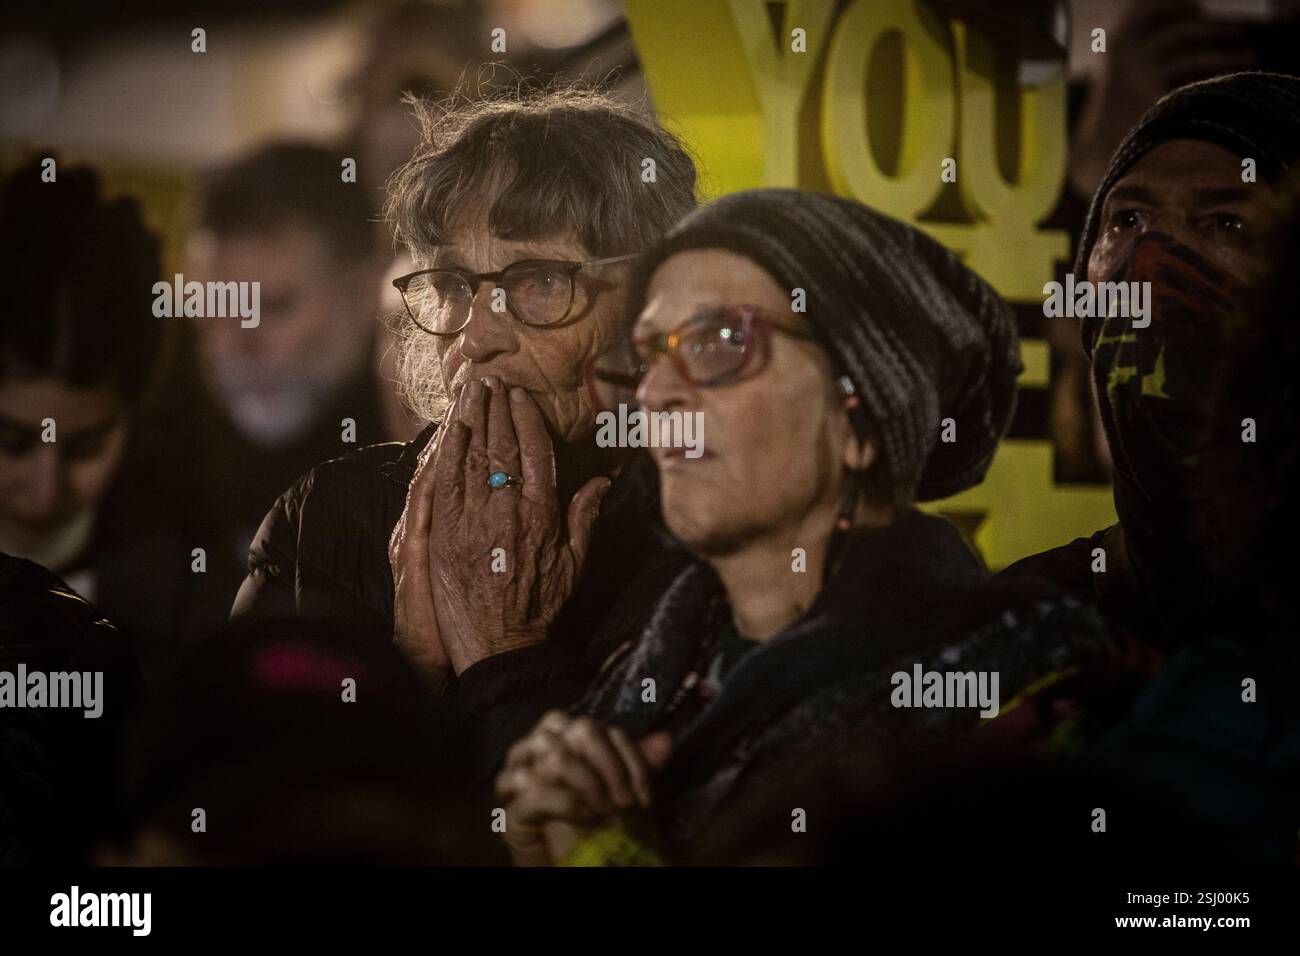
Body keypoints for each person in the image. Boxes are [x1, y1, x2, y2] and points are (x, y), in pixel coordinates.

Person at [495, 189, 1117, 865]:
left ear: (861, 416)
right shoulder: (645, 672)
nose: (654, 394)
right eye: (647, 355)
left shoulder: (1020, 685)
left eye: (718, 342)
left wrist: (609, 856)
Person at [231, 88, 699, 777]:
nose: (474, 337)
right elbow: (238, 795)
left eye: (539, 282)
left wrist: (505, 653)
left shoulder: (705, 540)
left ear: (654, 306)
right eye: (453, 285)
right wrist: (409, 668)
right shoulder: (329, 515)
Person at [0, 158, 226, 685]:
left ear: (137, 416)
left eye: (86, 447)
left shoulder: (188, 584)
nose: (45, 490)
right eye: (11, 442)